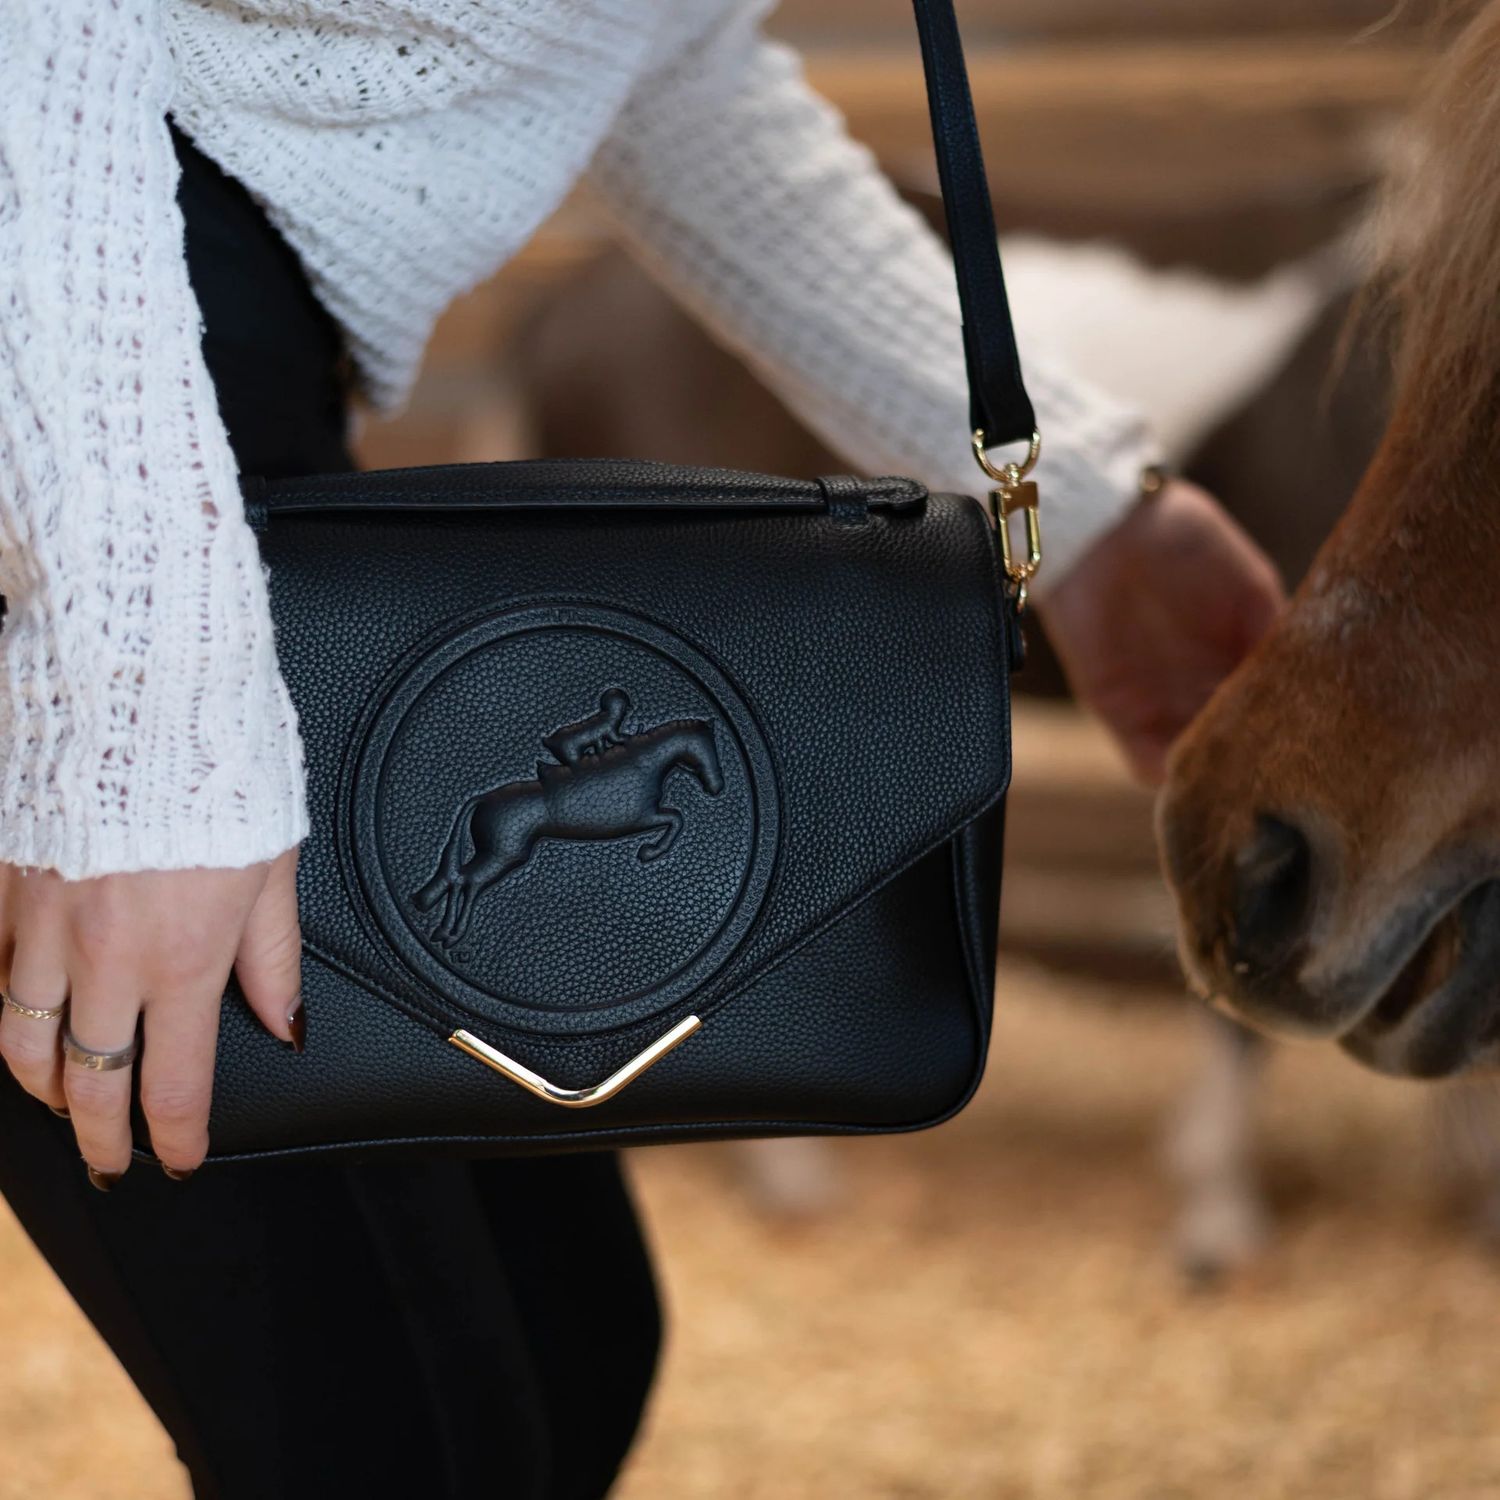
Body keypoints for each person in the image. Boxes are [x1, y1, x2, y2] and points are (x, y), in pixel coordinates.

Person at [0, 2, 1285, 1496]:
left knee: (574, 1347)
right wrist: (140, 705)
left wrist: (1075, 510)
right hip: (80, 390)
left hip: (216, 413)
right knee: (391, 1441)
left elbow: (657, 51)